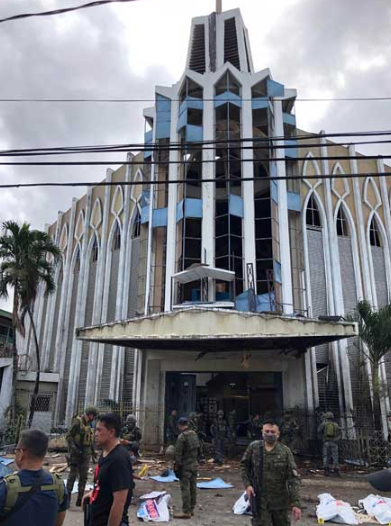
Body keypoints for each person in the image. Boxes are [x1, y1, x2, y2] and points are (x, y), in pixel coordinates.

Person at [0, 429, 68, 525]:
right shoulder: (57, 484)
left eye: (16, 450)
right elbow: (59, 520)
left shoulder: (6, 488)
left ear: (22, 453)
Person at [240, 419, 301, 526]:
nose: (269, 434)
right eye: (266, 431)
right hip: (260, 500)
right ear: (262, 432)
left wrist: (295, 503)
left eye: (273, 432)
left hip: (280, 502)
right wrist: (248, 485)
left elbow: (293, 479)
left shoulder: (285, 451)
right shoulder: (254, 447)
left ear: (278, 434)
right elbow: (244, 466)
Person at [83, 412, 134, 526]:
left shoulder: (118, 459)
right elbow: (104, 483)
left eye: (99, 430)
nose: (95, 434)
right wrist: (92, 493)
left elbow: (119, 502)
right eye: (95, 430)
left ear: (111, 432)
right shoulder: (105, 452)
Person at [66, 406, 98, 506]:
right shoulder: (77, 422)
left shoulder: (90, 425)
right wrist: (72, 447)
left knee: (83, 476)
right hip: (76, 451)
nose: (93, 418)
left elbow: (91, 439)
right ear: (89, 414)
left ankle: (80, 499)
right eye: (93, 415)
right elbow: (69, 435)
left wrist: (93, 452)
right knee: (72, 475)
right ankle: (67, 499)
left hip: (86, 452)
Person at [173, 417, 200, 519]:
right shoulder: (194, 434)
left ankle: (186, 511)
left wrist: (177, 466)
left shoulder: (182, 437)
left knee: (185, 488)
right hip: (194, 464)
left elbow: (178, 454)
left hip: (185, 466)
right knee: (193, 487)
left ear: (180, 425)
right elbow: (199, 449)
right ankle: (192, 509)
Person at [317, 411, 341, 476]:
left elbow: (318, 430)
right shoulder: (336, 424)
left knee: (326, 456)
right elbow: (339, 433)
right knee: (335, 456)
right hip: (334, 442)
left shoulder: (324, 424)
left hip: (326, 442)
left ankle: (326, 470)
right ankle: (336, 470)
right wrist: (336, 440)